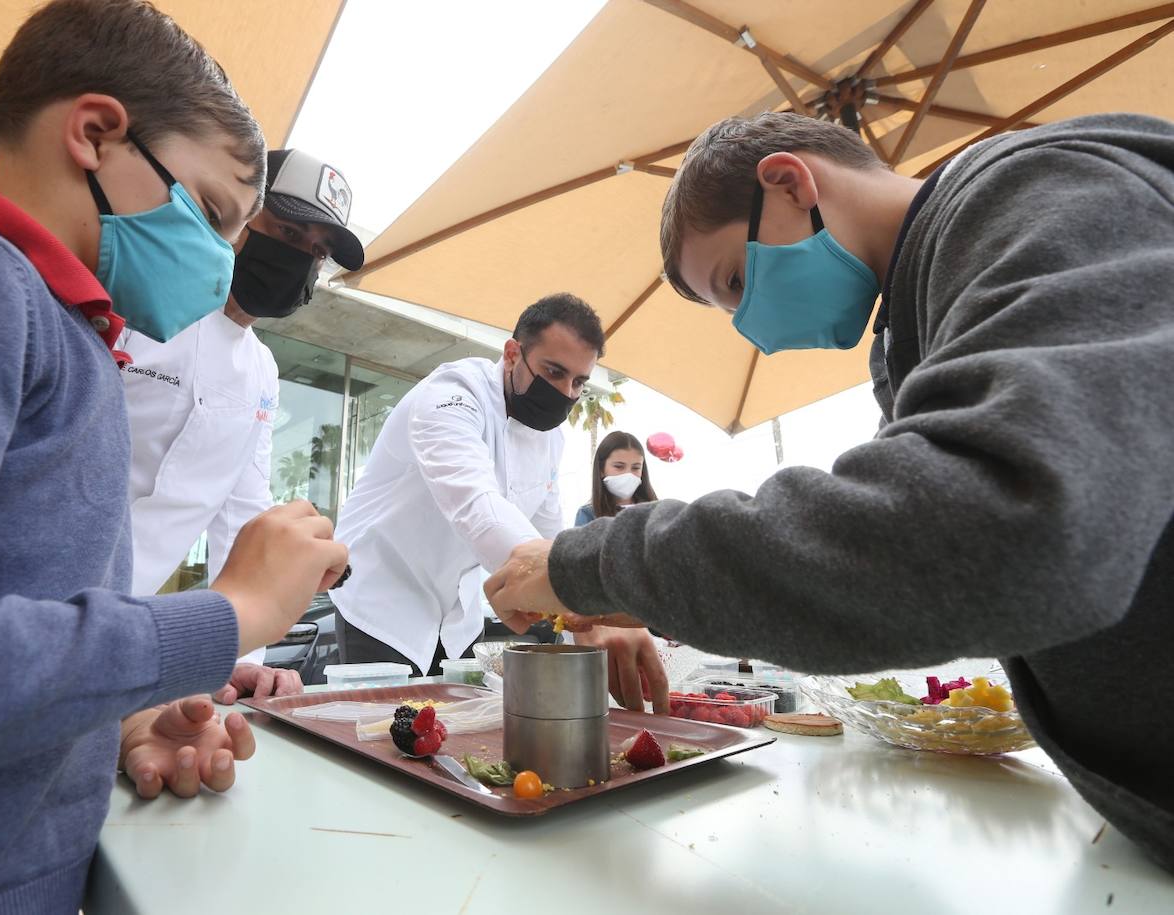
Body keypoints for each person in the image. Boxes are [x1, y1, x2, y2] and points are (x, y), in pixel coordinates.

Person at [484, 111, 1174, 871]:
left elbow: (1001, 530)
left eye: (738, 280)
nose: (755, 324)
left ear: (789, 181)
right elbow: (887, 571)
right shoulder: (915, 328)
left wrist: (593, 563)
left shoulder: (1046, 191)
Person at [0, 2, 347, 910]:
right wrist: (225, 614)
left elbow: (0, 619)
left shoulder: (73, 340)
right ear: (94, 133)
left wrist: (115, 720)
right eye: (213, 213)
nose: (221, 262)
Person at [330, 294, 669, 712]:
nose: (565, 392)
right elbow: (475, 503)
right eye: (554, 371)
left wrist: (588, 620)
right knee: (383, 749)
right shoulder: (452, 394)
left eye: (579, 382)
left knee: (458, 743)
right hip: (383, 606)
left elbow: (549, 537)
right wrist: (585, 594)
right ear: (512, 354)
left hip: (458, 619)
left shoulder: (551, 439)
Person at [122, 148, 363, 694]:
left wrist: (235, 651)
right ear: (237, 214)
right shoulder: (139, 310)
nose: (300, 257)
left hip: (132, 629)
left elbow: (242, 513)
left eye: (317, 252)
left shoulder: (262, 370)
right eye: (286, 230)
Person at [574, 430, 658, 525]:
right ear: (601, 469)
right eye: (619, 466)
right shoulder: (587, 514)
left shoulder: (656, 511)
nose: (628, 474)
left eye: (636, 468)